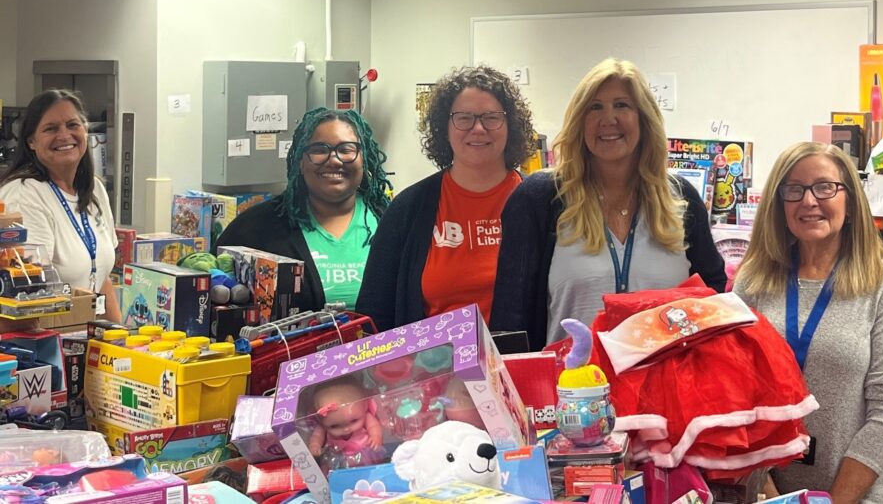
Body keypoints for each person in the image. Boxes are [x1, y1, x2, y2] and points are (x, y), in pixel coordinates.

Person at [490, 58, 726, 349]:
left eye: (622, 105)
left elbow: (713, 295)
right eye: (595, 107)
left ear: (644, 117)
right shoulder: (538, 199)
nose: (608, 119)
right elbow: (510, 322)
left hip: (665, 390)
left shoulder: (681, 198)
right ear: (580, 121)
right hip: (571, 388)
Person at [734, 142, 883, 504]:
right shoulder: (751, 281)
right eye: (794, 189)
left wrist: (835, 501)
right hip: (765, 492)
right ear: (779, 203)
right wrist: (768, 492)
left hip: (859, 493)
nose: (809, 200)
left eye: (825, 187)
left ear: (849, 202)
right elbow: (736, 397)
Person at [355, 65, 536, 331]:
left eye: (492, 117)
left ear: (511, 126)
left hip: (521, 367)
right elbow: (374, 313)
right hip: (432, 369)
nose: (478, 128)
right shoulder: (408, 209)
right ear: (444, 127)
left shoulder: (539, 204)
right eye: (464, 118)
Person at [216, 107, 390, 311]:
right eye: (319, 149)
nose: (334, 160)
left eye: (346, 149)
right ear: (300, 161)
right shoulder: (258, 227)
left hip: (386, 343)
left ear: (364, 159)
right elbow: (207, 276)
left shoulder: (392, 220)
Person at [0, 89, 121, 321]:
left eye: (73, 125)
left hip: (87, 339)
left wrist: (122, 340)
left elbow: (102, 278)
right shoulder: (24, 194)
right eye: (51, 128)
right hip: (48, 342)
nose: (64, 135)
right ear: (31, 142)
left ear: (85, 130)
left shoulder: (94, 189)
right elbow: (28, 292)